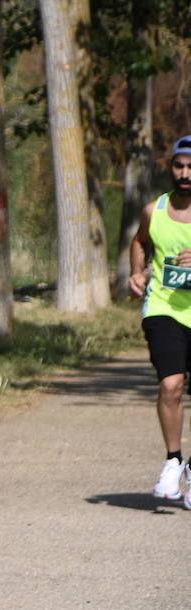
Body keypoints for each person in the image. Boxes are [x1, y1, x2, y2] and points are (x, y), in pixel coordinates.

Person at [129, 134, 191, 507]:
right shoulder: (155, 209)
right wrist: (136, 274)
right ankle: (173, 460)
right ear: (171, 168)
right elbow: (139, 240)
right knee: (171, 384)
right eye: (179, 166)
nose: (185, 174)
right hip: (164, 309)